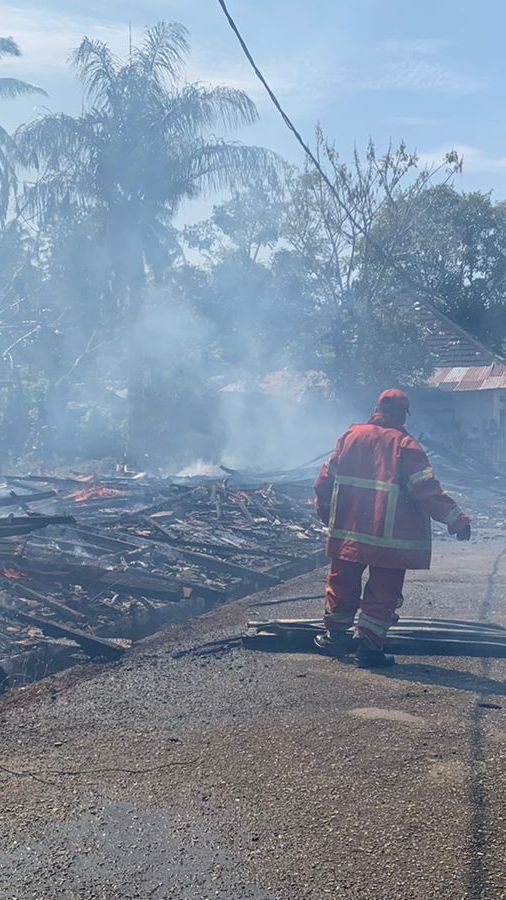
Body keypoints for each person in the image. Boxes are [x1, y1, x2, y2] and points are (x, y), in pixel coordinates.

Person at [314, 388, 471, 668]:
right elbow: (427, 491)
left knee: (342, 583)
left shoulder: (351, 436)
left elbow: (324, 482)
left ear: (377, 409)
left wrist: (327, 514)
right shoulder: (406, 445)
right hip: (390, 539)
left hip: (349, 532)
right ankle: (369, 648)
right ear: (402, 415)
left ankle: (335, 638)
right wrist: (456, 520)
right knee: (383, 591)